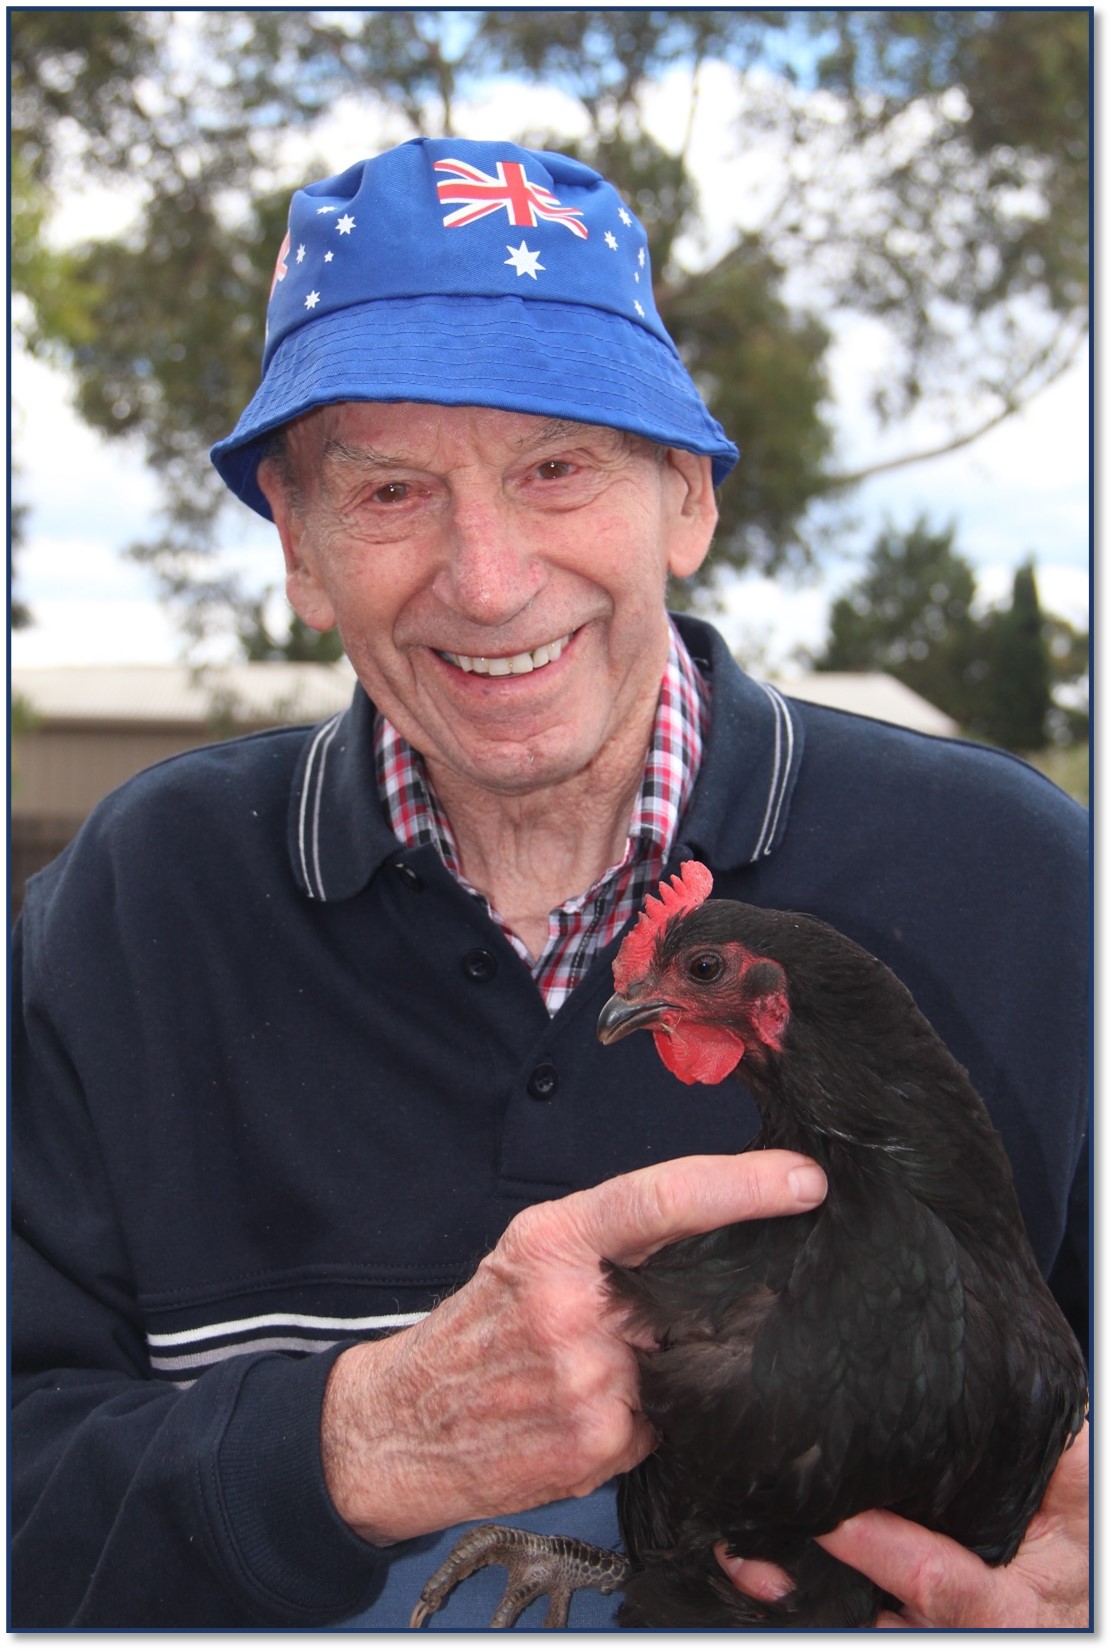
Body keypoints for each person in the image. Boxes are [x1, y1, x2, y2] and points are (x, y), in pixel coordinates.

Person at [11, 137, 1089, 1630]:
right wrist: (357, 1440)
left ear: (687, 501)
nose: (489, 577)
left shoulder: (1024, 886)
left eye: (557, 467)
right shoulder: (131, 906)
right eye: (390, 491)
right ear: (301, 548)